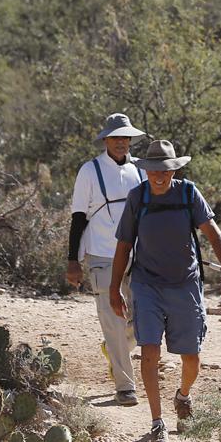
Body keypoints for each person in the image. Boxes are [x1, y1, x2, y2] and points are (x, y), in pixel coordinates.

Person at [109, 139, 221, 442]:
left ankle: (183, 396)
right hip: (147, 284)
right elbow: (124, 245)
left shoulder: (188, 194)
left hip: (185, 284)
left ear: (174, 170)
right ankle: (157, 423)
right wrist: (114, 289)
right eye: (154, 170)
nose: (159, 175)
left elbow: (213, 234)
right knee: (149, 351)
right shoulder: (138, 197)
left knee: (191, 356)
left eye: (165, 170)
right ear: (146, 170)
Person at [66, 113, 148, 406]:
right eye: (115, 138)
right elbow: (78, 217)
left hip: (138, 254)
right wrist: (73, 261)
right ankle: (125, 387)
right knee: (114, 320)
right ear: (105, 140)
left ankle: (114, 348)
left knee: (143, 318)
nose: (121, 142)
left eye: (125, 137)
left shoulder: (141, 170)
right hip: (101, 254)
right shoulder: (89, 170)